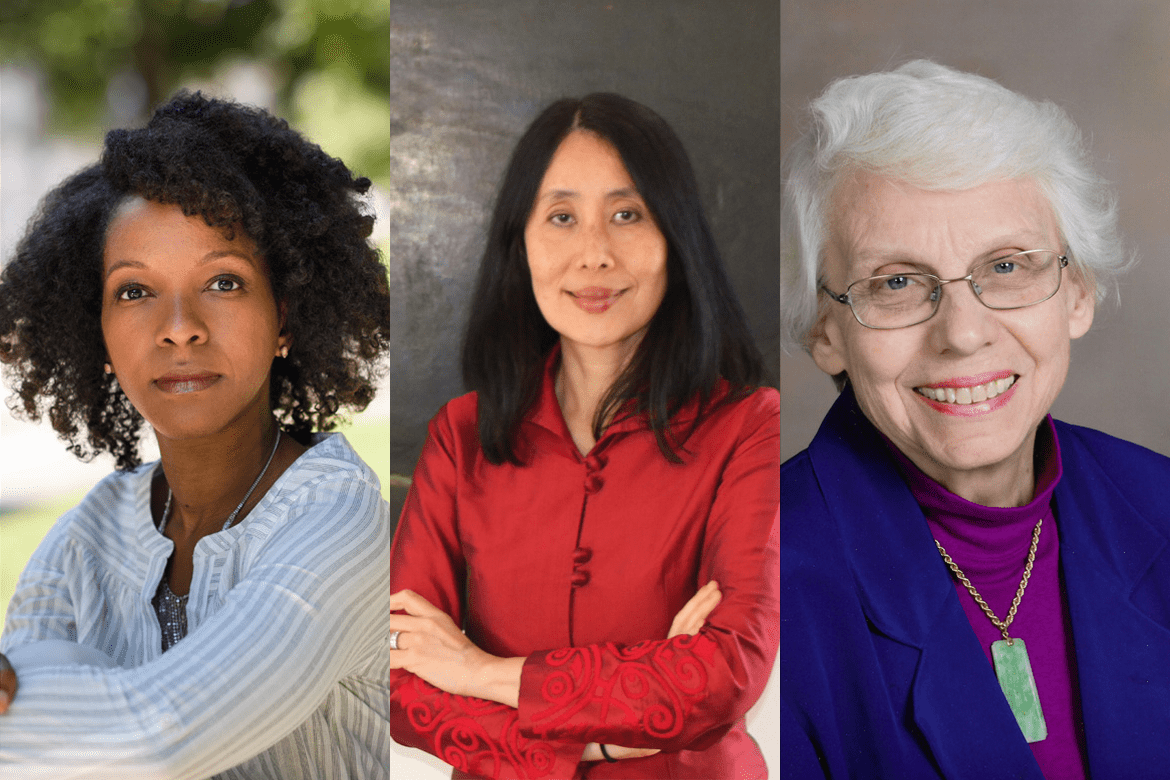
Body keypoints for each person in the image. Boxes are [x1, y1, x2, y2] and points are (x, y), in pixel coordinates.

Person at [781, 60, 1170, 779]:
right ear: (825, 330)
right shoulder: (765, 580)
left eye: (1007, 267)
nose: (962, 333)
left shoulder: (1161, 503)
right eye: (895, 282)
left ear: (1075, 292)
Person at [381, 93, 779, 779]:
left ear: (674, 240)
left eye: (627, 215)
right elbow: (396, 683)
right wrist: (599, 737)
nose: (594, 254)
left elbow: (723, 673)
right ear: (521, 241)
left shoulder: (749, 427)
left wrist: (480, 672)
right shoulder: (462, 435)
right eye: (561, 217)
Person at [0, 92, 393, 778]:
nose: (179, 326)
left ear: (285, 319)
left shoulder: (341, 519)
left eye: (222, 281)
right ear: (95, 331)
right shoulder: (78, 547)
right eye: (134, 291)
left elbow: (155, 736)